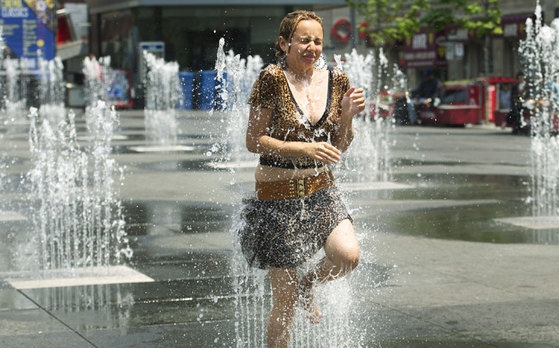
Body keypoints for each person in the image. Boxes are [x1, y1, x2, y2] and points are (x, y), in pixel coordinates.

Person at [239, 10, 365, 348]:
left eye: (317, 41)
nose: (312, 47)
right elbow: (254, 141)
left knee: (347, 256)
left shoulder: (336, 79)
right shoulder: (272, 78)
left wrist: (348, 119)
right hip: (276, 197)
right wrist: (301, 150)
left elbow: (338, 146)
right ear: (284, 43)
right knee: (284, 303)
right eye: (304, 40)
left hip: (321, 189)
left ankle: (309, 284)